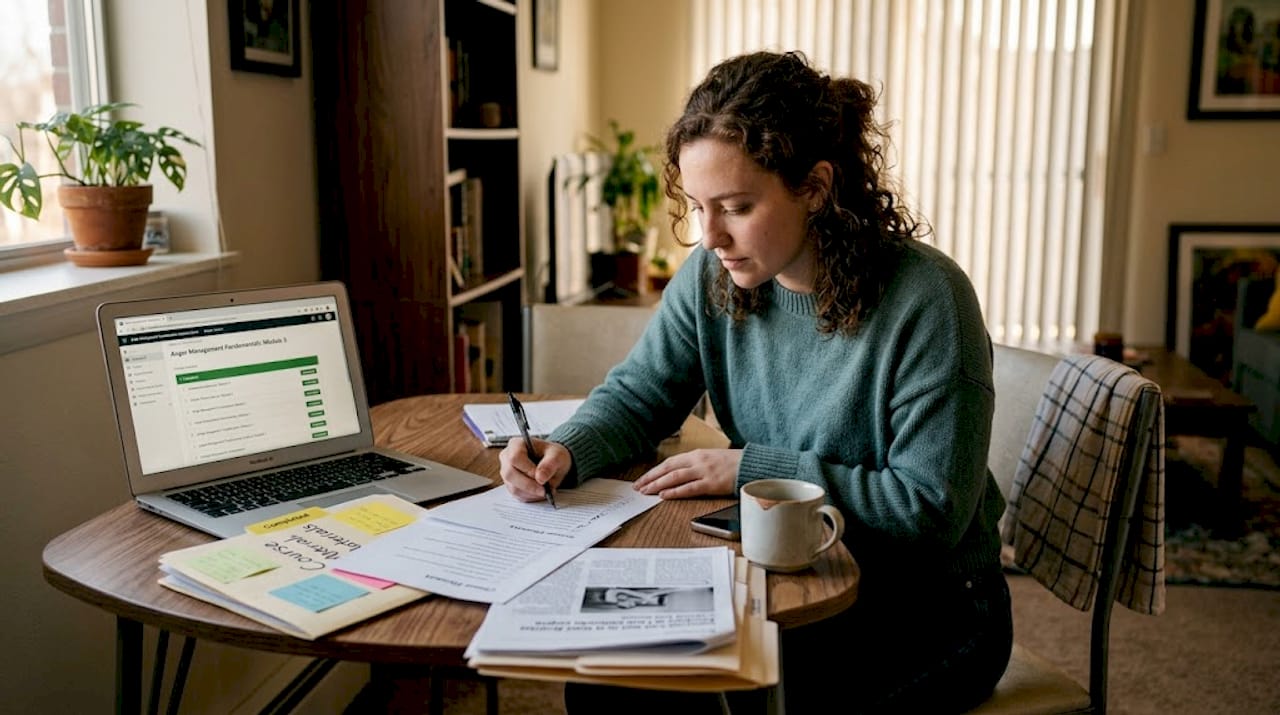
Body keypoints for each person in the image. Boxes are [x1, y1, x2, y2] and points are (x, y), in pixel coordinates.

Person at [500, 50, 1012, 714]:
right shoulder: (713, 276)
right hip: (786, 576)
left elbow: (928, 512)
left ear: (816, 187)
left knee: (762, 696)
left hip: (929, 610)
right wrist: (565, 447)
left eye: (737, 206)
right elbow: (638, 394)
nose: (710, 234)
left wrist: (752, 469)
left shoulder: (928, 300)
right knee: (612, 676)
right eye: (698, 205)